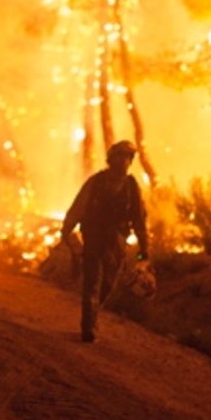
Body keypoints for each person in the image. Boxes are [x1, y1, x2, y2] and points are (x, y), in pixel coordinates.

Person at [60, 139, 150, 343]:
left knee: (109, 284)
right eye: (121, 157)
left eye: (128, 158)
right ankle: (88, 326)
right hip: (94, 238)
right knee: (92, 282)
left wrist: (144, 249)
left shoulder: (131, 186)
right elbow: (79, 207)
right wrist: (67, 230)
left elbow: (138, 218)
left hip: (116, 243)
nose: (125, 162)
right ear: (112, 159)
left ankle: (93, 313)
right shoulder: (96, 182)